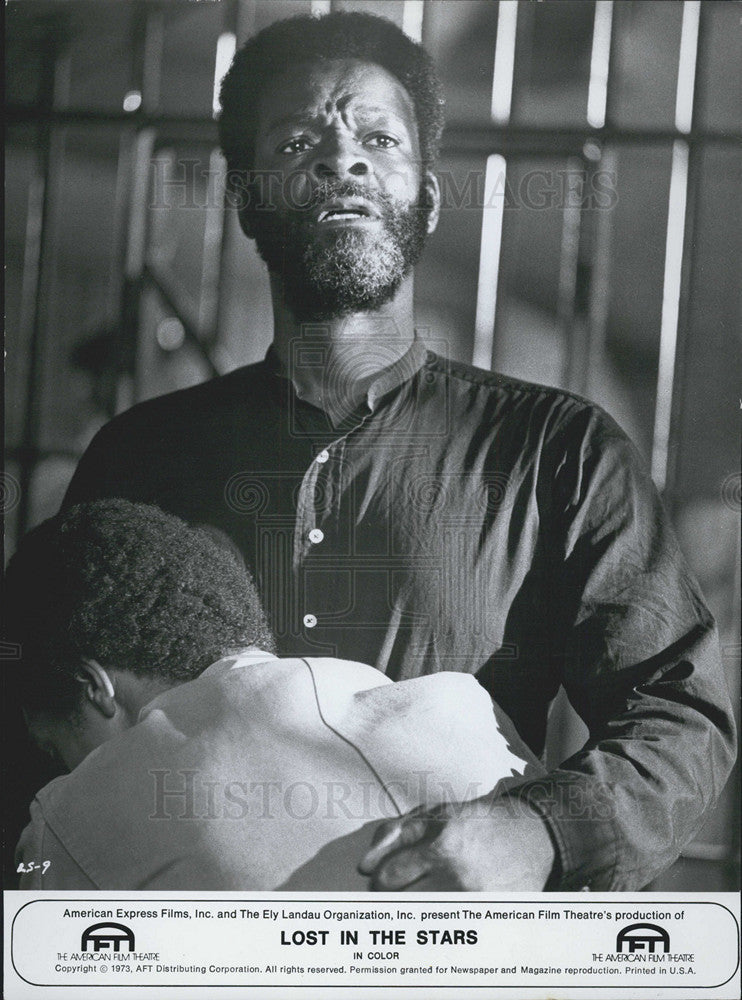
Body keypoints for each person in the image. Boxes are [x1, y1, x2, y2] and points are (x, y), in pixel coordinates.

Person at [59, 12, 735, 891]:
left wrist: (538, 832)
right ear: (249, 198)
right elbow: (43, 716)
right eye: (300, 139)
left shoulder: (558, 451)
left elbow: (678, 717)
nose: (344, 159)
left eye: (379, 136)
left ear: (429, 195)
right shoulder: (137, 458)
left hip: (448, 957)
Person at [8, 499, 540, 891]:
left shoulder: (68, 824)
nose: (67, 775)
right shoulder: (465, 706)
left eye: (58, 752)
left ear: (93, 687)